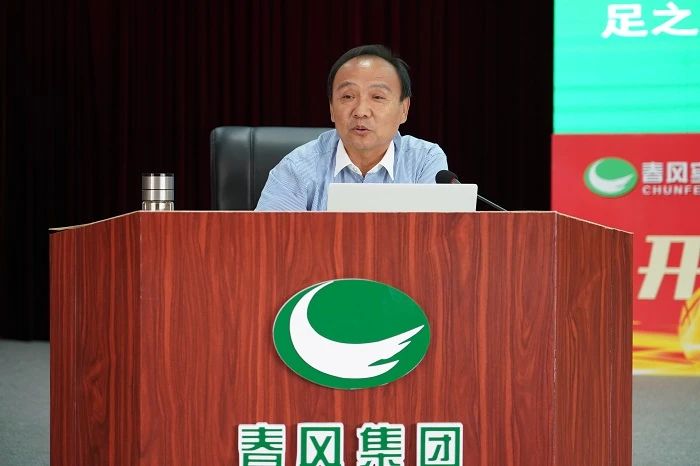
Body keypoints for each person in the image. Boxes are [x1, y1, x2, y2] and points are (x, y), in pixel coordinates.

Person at [255, 44, 448, 211]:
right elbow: (270, 239)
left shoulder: (423, 161)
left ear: (404, 109)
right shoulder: (297, 168)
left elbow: (434, 237)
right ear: (332, 108)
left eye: (377, 97)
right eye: (348, 96)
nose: (361, 111)